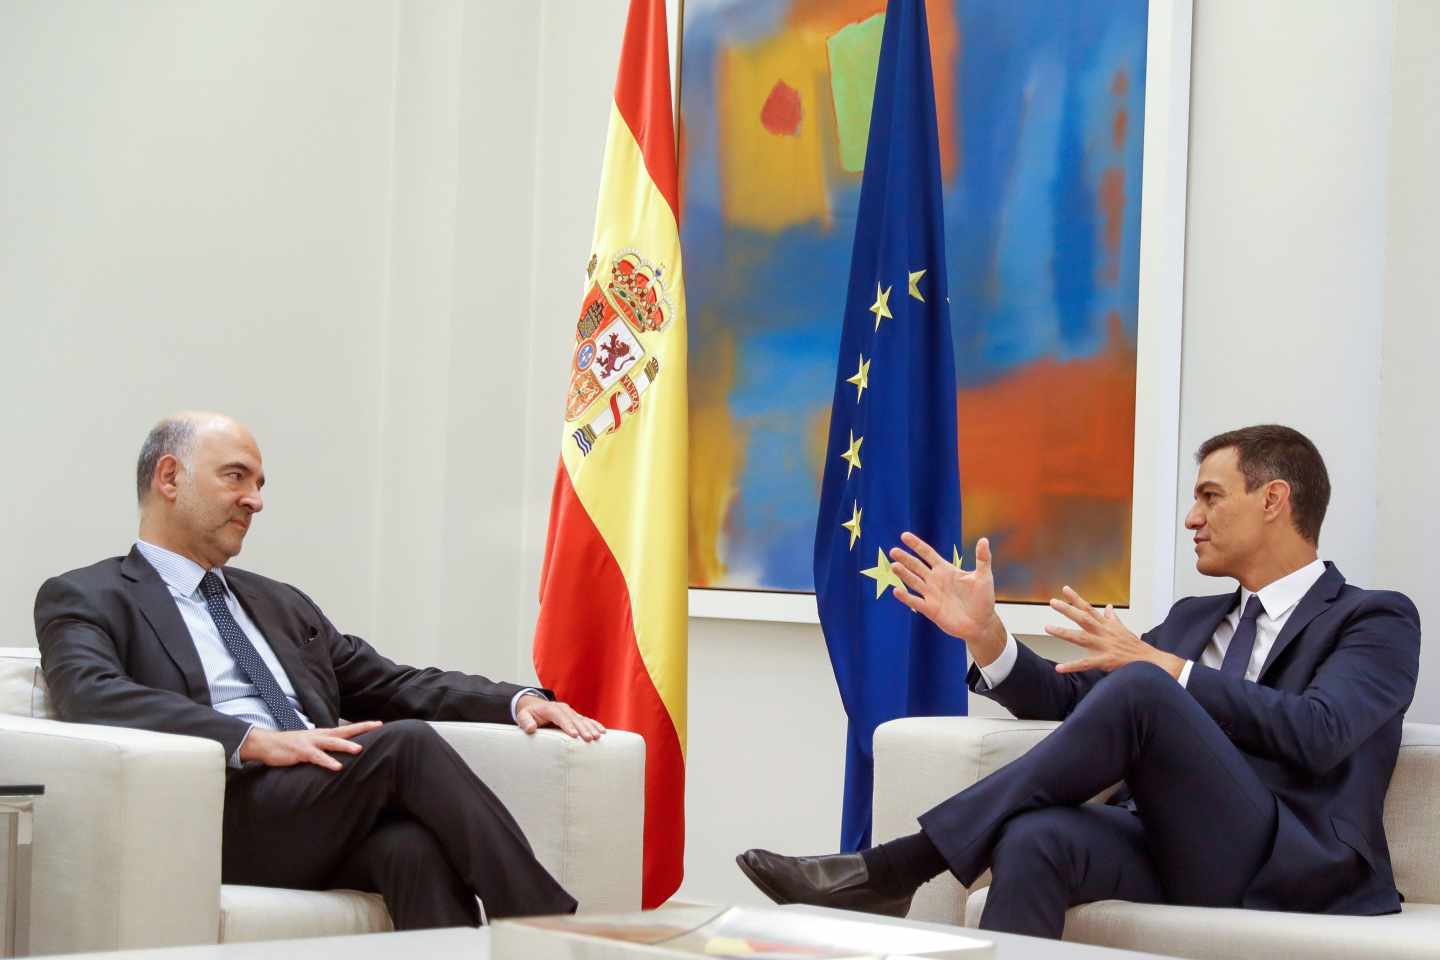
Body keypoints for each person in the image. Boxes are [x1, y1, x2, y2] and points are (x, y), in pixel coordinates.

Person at [738, 425, 1421, 937]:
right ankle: (897, 877)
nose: (1192, 518)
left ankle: (897, 866)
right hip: (1170, 844)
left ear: (1274, 500)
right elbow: (1081, 705)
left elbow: (1321, 733)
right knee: (1036, 839)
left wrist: (1166, 671)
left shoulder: (1374, 619)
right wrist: (989, 637)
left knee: (1146, 688)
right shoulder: (1193, 618)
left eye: (1210, 497)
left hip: (1289, 864)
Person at [35, 412, 606, 929]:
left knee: (409, 849)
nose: (254, 500)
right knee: (403, 746)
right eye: (236, 477)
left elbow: (388, 682)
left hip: (313, 805)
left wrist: (516, 701)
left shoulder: (278, 602)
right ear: (169, 478)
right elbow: (92, 694)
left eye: (259, 485)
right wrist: (253, 740)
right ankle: (553, 933)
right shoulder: (87, 595)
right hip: (217, 810)